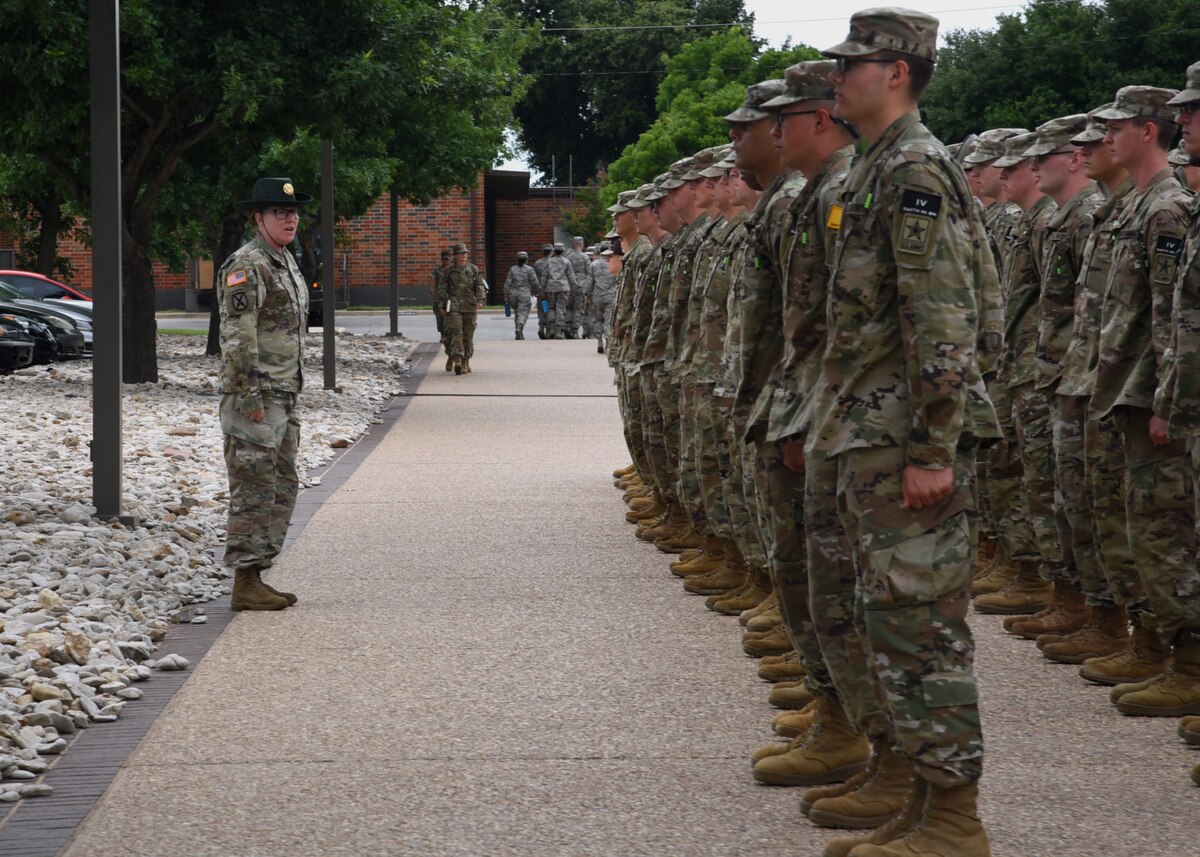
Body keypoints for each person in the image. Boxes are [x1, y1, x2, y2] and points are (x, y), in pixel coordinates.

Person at [808, 9, 1000, 855]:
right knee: (889, 619)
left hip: (904, 439)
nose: (837, 77)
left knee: (922, 627)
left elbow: (945, 316)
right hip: (872, 430)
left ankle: (955, 819)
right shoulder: (875, 166)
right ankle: (921, 799)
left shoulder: (915, 168)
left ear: (896, 72)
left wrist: (932, 448)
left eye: (852, 64)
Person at [216, 177, 313, 612]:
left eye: (293, 212)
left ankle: (258, 572)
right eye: (280, 212)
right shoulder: (247, 265)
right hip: (256, 396)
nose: (290, 218)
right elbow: (239, 335)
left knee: (282, 484)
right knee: (254, 486)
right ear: (258, 218)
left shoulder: (284, 260)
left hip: (284, 392)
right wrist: (249, 395)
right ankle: (244, 580)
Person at [436, 242, 487, 375]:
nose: (464, 255)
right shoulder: (449, 270)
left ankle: (466, 361)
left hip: (470, 306)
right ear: (455, 256)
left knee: (468, 335)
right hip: (454, 306)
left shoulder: (473, 269)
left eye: (465, 253)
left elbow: (479, 285)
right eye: (461, 253)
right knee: (455, 332)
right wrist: (441, 305)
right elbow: (442, 288)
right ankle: (457, 358)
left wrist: (480, 300)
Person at [586, 242, 617, 353]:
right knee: (609, 320)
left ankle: (599, 342)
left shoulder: (594, 265)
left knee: (598, 319)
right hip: (611, 296)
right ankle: (608, 342)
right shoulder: (613, 263)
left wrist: (588, 296)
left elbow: (589, 282)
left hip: (597, 297)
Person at [543, 242, 576, 338]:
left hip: (551, 287)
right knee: (561, 308)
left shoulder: (549, 261)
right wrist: (574, 289)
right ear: (563, 251)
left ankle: (552, 328)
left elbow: (544, 277)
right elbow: (571, 277)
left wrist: (542, 289)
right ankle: (558, 331)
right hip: (563, 287)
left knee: (551, 308)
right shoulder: (566, 261)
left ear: (554, 251)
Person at [503, 251, 538, 340]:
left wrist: (506, 295)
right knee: (523, 312)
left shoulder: (512, 269)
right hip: (524, 293)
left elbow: (507, 283)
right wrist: (536, 291)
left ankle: (519, 333)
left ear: (517, 260)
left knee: (517, 312)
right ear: (526, 260)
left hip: (513, 294)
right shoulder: (529, 269)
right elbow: (535, 282)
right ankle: (520, 326)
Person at [567, 236, 591, 338]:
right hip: (581, 286)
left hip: (569, 285)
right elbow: (589, 273)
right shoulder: (585, 257)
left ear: (573, 245)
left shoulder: (568, 257)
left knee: (569, 308)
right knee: (578, 309)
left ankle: (567, 327)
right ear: (582, 245)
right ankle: (575, 331)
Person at [431, 248, 451, 358]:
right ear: (441, 259)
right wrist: (433, 293)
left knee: (450, 317)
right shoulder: (437, 271)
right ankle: (442, 335)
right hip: (439, 298)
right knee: (440, 317)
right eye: (444, 259)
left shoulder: (453, 270)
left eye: (447, 259)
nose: (446, 261)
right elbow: (432, 282)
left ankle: (449, 335)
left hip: (450, 298)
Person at [534, 244, 553, 338]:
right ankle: (548, 330)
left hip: (541, 289)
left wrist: (535, 290)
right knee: (550, 309)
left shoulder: (537, 263)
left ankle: (541, 326)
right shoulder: (553, 262)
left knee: (541, 309)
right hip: (551, 289)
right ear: (551, 252)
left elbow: (534, 278)